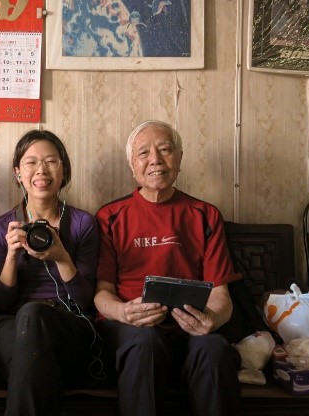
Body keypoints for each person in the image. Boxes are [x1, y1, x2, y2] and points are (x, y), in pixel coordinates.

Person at [94, 120, 242, 416]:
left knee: (214, 349)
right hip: (131, 331)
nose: (156, 161)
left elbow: (220, 294)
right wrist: (123, 312)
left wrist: (211, 319)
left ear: (180, 157)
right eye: (144, 153)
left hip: (189, 330)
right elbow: (102, 293)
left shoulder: (204, 214)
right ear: (131, 164)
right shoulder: (110, 216)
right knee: (145, 342)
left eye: (165, 150)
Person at [0, 130, 101, 416]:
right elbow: (1, 304)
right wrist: (12, 255)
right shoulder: (1, 227)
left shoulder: (82, 223)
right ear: (18, 172)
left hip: (69, 325)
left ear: (64, 170)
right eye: (31, 163)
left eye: (51, 161)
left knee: (33, 316)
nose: (41, 170)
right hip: (14, 324)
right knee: (30, 341)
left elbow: (86, 302)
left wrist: (62, 257)